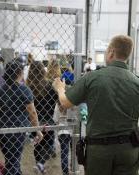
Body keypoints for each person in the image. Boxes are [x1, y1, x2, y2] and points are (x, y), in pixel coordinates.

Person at [53, 35, 139, 175]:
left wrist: (60, 88)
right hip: (129, 149)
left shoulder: (93, 77)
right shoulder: (136, 82)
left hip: (99, 150)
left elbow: (65, 102)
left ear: (111, 52)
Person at [0, 61, 43, 175]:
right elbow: (32, 112)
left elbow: (0, 109)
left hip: (1, 129)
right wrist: (38, 130)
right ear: (19, 73)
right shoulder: (24, 90)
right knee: (13, 162)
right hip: (17, 129)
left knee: (11, 160)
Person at [26, 61, 58, 174]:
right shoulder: (50, 85)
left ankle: (39, 165)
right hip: (49, 120)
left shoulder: (28, 87)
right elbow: (57, 100)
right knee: (49, 145)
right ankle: (40, 165)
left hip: (34, 122)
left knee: (37, 145)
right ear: (43, 71)